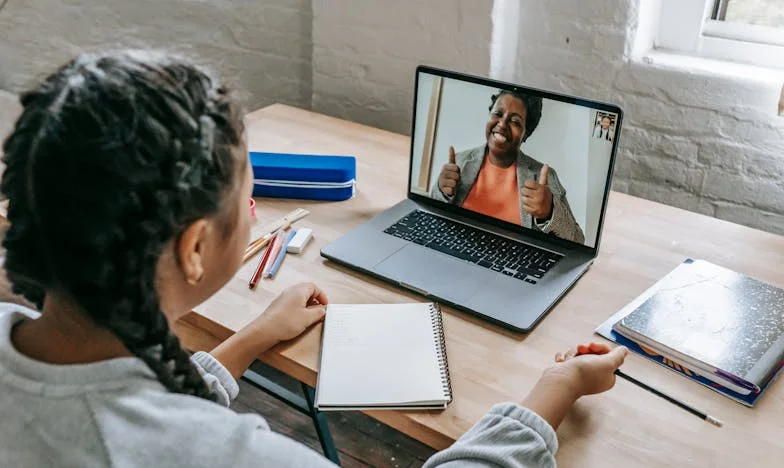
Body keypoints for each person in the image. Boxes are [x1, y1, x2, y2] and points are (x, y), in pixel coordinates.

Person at [0, 50, 627, 467]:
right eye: (247, 191)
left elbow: (131, 404)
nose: (252, 205)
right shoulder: (233, 455)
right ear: (193, 248)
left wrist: (248, 341)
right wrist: (554, 389)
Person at [430, 90, 585, 244]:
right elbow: (431, 219)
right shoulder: (460, 162)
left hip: (513, 264)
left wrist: (549, 213)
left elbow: (578, 241)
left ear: (526, 134)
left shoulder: (544, 177)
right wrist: (440, 191)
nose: (502, 124)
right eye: (498, 113)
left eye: (515, 122)